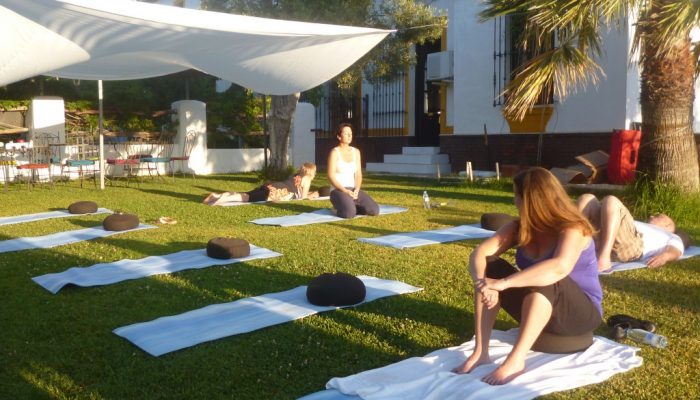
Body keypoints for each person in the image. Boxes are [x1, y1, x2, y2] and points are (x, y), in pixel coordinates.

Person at [453, 167, 602, 385]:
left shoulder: (573, 228)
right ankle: (480, 352)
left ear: (531, 200)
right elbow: (480, 254)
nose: (514, 200)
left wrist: (504, 283)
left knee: (547, 277)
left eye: (516, 195)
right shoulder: (518, 227)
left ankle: (516, 361)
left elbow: (559, 267)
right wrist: (483, 283)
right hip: (540, 303)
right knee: (489, 267)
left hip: (580, 315)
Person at [576, 194, 685, 271]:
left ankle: (603, 258)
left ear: (667, 226)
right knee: (587, 199)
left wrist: (665, 256)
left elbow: (677, 249)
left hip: (632, 246)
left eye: (658, 216)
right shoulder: (640, 224)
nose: (652, 216)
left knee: (612, 201)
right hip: (603, 236)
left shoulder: (670, 235)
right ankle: (571, 246)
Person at [203, 162, 319, 205]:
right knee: (247, 197)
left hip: (273, 185)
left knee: (247, 194)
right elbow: (303, 198)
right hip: (275, 192)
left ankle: (217, 196)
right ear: (312, 172)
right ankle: (222, 200)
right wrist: (312, 196)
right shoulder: (307, 179)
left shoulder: (295, 176)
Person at [327, 123, 379, 218]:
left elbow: (358, 174)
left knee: (374, 210)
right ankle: (336, 208)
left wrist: (357, 189)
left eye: (350, 133)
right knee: (349, 214)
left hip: (353, 190)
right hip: (338, 190)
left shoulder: (356, 152)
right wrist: (345, 191)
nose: (349, 135)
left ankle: (351, 206)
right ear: (339, 136)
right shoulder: (334, 152)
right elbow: (331, 176)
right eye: (346, 133)